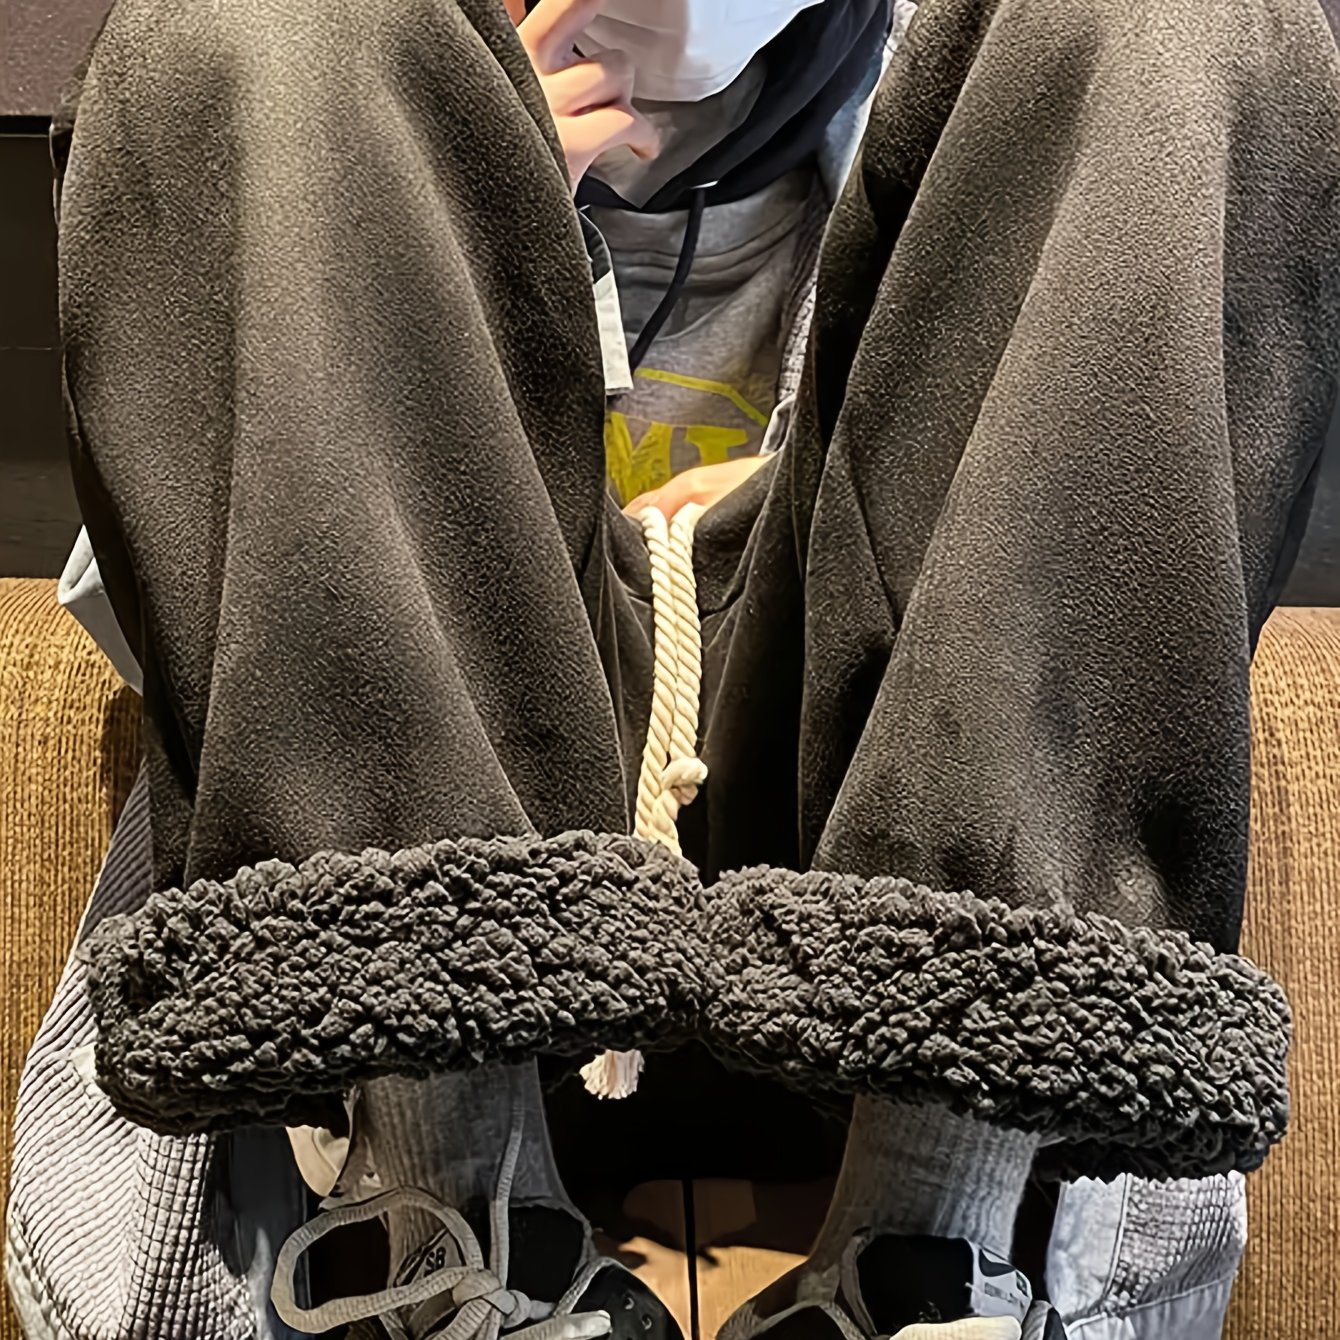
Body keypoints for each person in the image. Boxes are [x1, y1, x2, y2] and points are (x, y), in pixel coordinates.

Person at [15, 0, 1340, 1335]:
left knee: (1166, 23)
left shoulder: (982, 87)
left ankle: (932, 1265)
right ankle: (445, 1234)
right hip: (441, 977)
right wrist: (439, 204)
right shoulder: (373, 70)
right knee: (276, 26)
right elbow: (185, 619)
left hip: (883, 945)